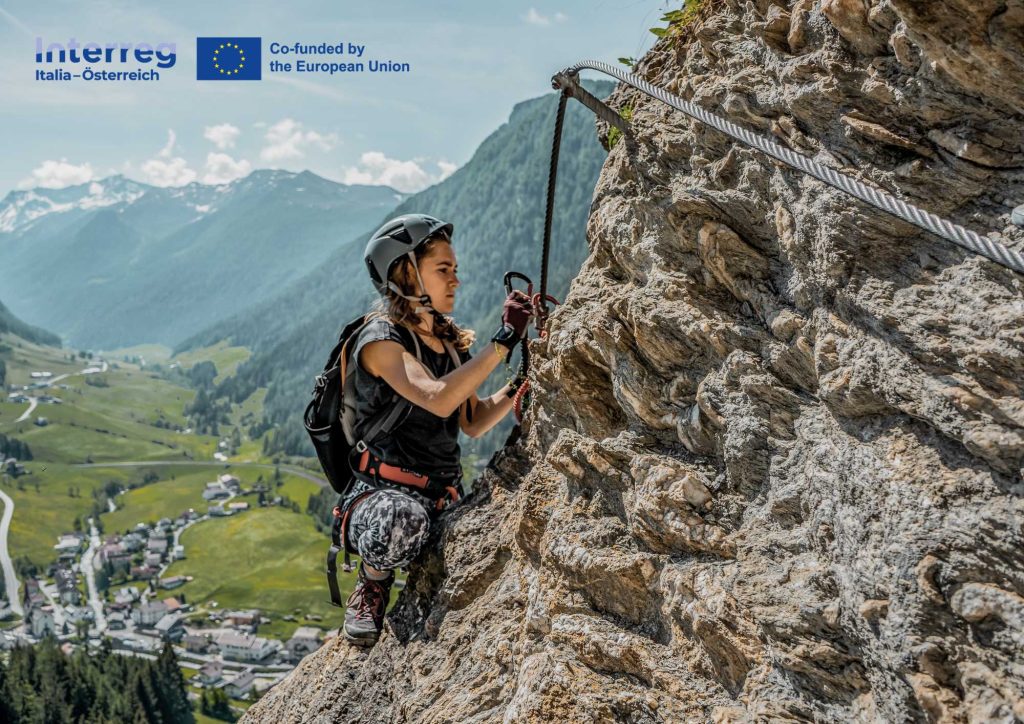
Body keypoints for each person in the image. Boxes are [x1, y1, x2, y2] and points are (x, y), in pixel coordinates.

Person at [340, 213, 534, 646]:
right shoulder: (380, 340)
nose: (455, 281)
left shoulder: (448, 345)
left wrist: (521, 382)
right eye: (443, 270)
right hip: (382, 500)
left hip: (440, 497)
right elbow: (436, 396)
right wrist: (502, 342)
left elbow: (472, 420)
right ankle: (372, 582)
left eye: (455, 270)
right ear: (407, 274)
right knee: (399, 518)